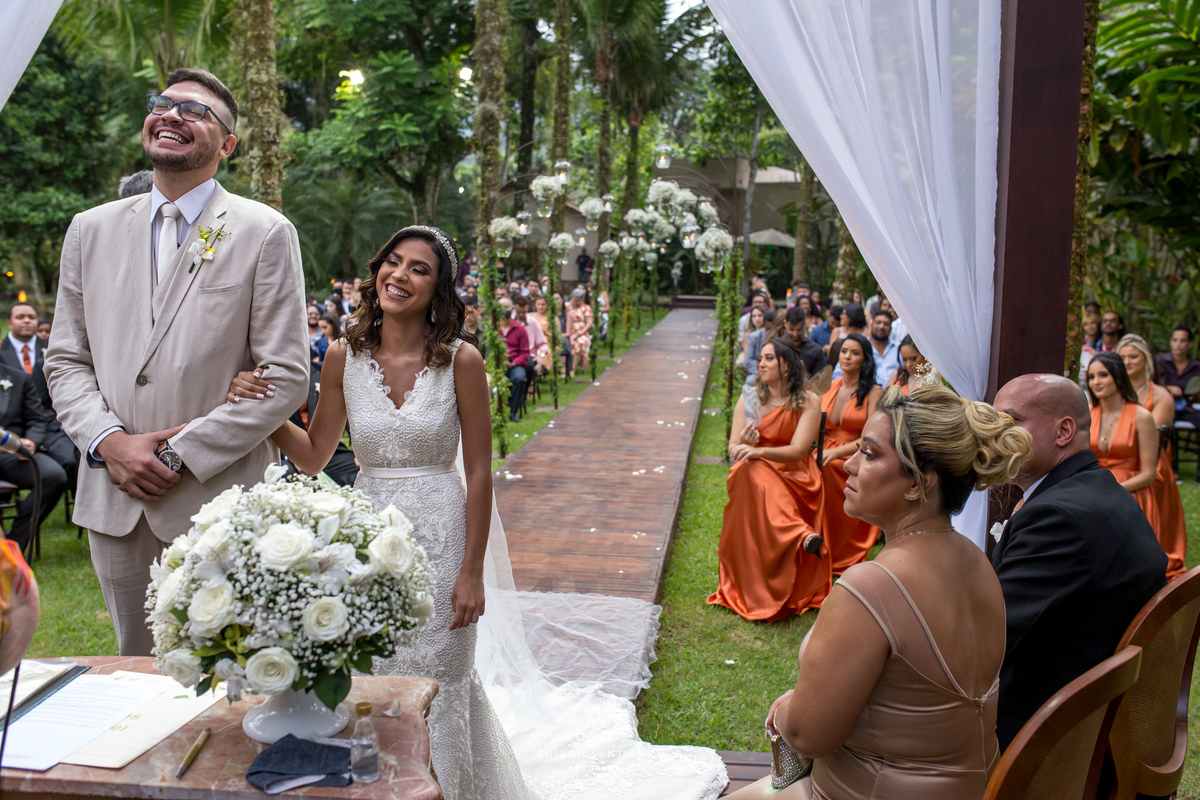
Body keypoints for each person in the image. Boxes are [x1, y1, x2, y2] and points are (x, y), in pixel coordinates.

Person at [226, 225, 727, 800]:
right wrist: (264, 410)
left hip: (442, 537)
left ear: (438, 288)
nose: (400, 275)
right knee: (370, 675)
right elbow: (315, 456)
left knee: (442, 678)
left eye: (419, 268)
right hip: (366, 542)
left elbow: (481, 472)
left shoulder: (460, 361)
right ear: (377, 271)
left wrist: (471, 572)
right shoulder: (343, 356)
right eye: (393, 261)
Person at [44, 67, 308, 656]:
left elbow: (286, 376)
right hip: (116, 497)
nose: (171, 115)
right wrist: (110, 443)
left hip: (219, 499)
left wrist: (176, 454)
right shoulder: (89, 230)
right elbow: (65, 360)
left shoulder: (264, 232)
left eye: (194, 111)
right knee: (134, 669)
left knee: (231, 674)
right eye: (162, 104)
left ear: (227, 145)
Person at [731, 384, 1030, 800]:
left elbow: (807, 735)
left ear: (919, 483)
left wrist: (785, 710)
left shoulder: (870, 586)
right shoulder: (979, 562)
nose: (849, 464)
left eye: (869, 454)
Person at [990, 374, 1167, 749]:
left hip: (1045, 732)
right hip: (1089, 708)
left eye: (1009, 421)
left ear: (1064, 431)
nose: (992, 434)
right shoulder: (1098, 489)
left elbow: (989, 639)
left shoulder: (1058, 518)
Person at [708, 338, 830, 621]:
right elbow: (734, 448)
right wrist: (745, 443)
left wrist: (758, 451)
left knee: (753, 468)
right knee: (750, 470)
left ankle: (794, 536)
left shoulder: (809, 400)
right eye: (761, 358)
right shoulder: (750, 397)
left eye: (769, 358)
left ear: (786, 365)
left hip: (795, 473)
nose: (761, 364)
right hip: (755, 473)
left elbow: (798, 451)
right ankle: (799, 533)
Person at [1117, 335, 1187, 578]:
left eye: (1133, 356)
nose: (1127, 362)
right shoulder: (1111, 392)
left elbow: (1147, 439)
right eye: (1122, 357)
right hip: (1118, 459)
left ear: (1146, 360)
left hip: (1151, 463)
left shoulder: (1160, 396)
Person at [820, 334, 882, 573]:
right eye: (844, 351)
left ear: (865, 360)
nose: (847, 357)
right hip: (824, 449)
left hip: (857, 453)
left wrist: (835, 451)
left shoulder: (874, 392)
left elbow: (870, 437)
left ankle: (842, 548)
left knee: (830, 467)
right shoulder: (829, 385)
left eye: (854, 353)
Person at [1, 303, 79, 490]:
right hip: (20, 429)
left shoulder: (51, 351)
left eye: (31, 317)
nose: (27, 321)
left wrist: (32, 440)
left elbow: (36, 415)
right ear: (9, 323)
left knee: (56, 473)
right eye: (20, 317)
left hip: (24, 436)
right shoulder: (5, 355)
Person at [1086, 352, 1161, 533]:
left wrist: (1113, 490)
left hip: (1132, 493)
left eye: (1103, 375)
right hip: (1092, 490)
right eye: (1091, 377)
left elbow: (1149, 474)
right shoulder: (1087, 415)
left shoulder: (1142, 417)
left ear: (1119, 378)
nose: (1096, 382)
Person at [0, 363, 67, 553]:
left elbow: (37, 419)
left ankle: (14, 547)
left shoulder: (19, 378)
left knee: (53, 476)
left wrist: (31, 441)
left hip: (11, 452)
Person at [1156, 325, 1200, 420]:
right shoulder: (1159, 362)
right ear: (1170, 342)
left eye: (1182, 341)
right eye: (1175, 340)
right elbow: (1149, 384)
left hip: (1188, 409)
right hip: (1162, 406)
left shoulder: (1197, 367)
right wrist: (1167, 388)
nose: (1178, 344)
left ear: (1190, 343)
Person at [501, 300, 530, 422]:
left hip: (514, 363)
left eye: (506, 307)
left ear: (512, 309)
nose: (504, 310)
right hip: (497, 364)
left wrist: (513, 364)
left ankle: (513, 411)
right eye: (501, 307)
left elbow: (525, 353)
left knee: (520, 378)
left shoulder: (520, 329)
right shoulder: (494, 329)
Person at [782, 305, 827, 379]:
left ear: (804, 325)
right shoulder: (776, 348)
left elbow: (820, 380)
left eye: (799, 330)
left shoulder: (815, 350)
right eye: (791, 330)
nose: (795, 334)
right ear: (785, 324)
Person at [514, 296, 548, 376]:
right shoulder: (510, 322)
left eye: (524, 312)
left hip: (529, 355)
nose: (521, 315)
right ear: (514, 309)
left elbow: (543, 344)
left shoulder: (533, 323)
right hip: (513, 355)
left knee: (529, 366)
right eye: (519, 312)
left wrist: (541, 356)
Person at [864, 312, 898, 387]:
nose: (882, 326)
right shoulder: (862, 347)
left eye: (886, 324)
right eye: (878, 322)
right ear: (871, 325)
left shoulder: (898, 348)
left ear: (891, 328)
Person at [566, 289, 593, 374]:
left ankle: (573, 368)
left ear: (582, 299)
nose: (575, 302)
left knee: (580, 342)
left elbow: (589, 322)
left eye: (578, 300)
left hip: (581, 332)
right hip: (569, 331)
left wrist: (582, 332)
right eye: (574, 300)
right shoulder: (568, 306)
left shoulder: (586, 308)